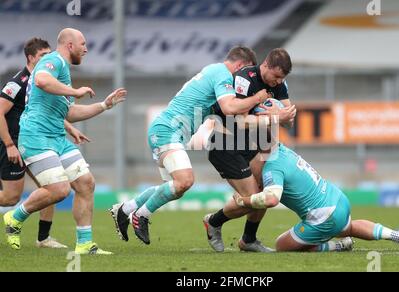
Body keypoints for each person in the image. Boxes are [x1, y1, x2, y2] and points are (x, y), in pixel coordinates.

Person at [110, 46, 271, 245]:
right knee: (184, 181)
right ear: (240, 65)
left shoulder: (212, 72)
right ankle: (140, 215)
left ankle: (124, 210)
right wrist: (257, 98)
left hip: (166, 130)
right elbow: (230, 108)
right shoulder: (223, 74)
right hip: (167, 131)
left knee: (175, 188)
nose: (244, 79)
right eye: (245, 72)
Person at [3, 28, 127, 254]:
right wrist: (75, 90)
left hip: (56, 137)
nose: (86, 48)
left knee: (85, 183)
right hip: (36, 137)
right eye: (83, 44)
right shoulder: (53, 60)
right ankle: (15, 216)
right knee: (59, 190)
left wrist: (104, 105)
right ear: (70, 45)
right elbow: (40, 80)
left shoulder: (63, 72)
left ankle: (84, 244)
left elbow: (69, 113)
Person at [232, 143, 399, 252]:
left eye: (249, 164)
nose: (249, 170)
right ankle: (398, 235)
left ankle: (338, 247)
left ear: (259, 157)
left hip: (324, 215)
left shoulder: (272, 168)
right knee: (349, 227)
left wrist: (242, 201)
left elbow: (271, 200)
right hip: (337, 198)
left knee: (281, 245)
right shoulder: (282, 150)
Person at [203, 48, 296, 252]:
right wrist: (274, 117)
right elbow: (240, 121)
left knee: (264, 191)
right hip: (224, 143)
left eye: (283, 78)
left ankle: (248, 240)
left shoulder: (280, 84)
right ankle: (214, 222)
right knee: (254, 199)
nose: (278, 82)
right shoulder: (244, 79)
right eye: (277, 76)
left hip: (249, 142)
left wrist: (285, 116)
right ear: (266, 65)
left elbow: (288, 120)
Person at [0, 37, 89, 249]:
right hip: (14, 143)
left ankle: (43, 238)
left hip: (37, 141)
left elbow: (47, 112)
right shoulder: (18, 83)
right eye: (42, 55)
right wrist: (9, 145)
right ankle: (15, 219)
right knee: (11, 198)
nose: (47, 59)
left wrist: (69, 128)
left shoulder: (50, 81)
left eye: (49, 55)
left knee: (50, 188)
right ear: (30, 58)